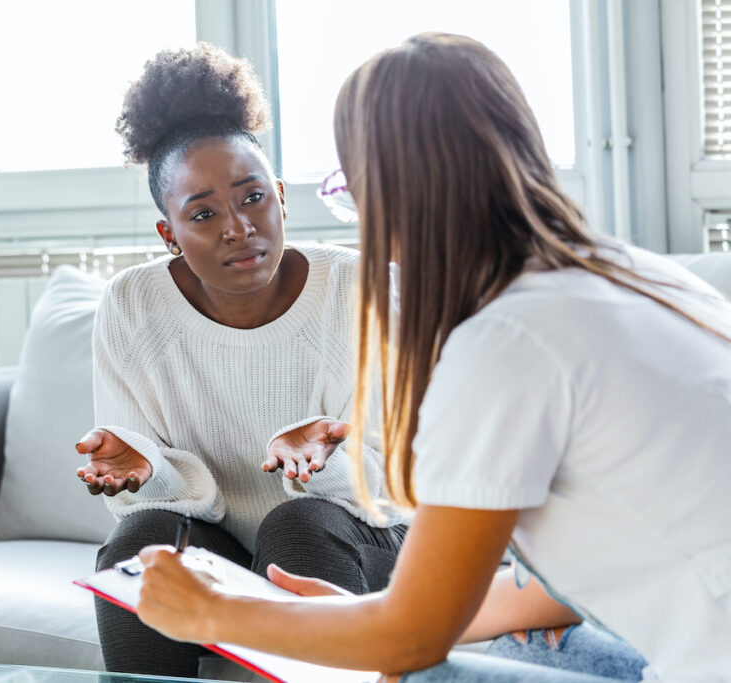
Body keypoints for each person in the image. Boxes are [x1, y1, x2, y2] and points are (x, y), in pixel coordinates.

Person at [134, 33, 731, 682]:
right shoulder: (630, 274)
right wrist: (366, 617)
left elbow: (410, 641)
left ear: (395, 195)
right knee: (508, 645)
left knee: (406, 672)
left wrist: (210, 612)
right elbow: (554, 592)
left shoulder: (504, 345)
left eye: (353, 192)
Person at [74, 43, 409, 677]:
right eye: (202, 213)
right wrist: (148, 474)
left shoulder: (361, 287)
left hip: (369, 533)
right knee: (141, 546)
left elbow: (398, 483)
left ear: (281, 196)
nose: (238, 227)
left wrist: (331, 462)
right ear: (168, 232)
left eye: (253, 198)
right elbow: (149, 500)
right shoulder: (131, 307)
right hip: (222, 542)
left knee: (300, 526)